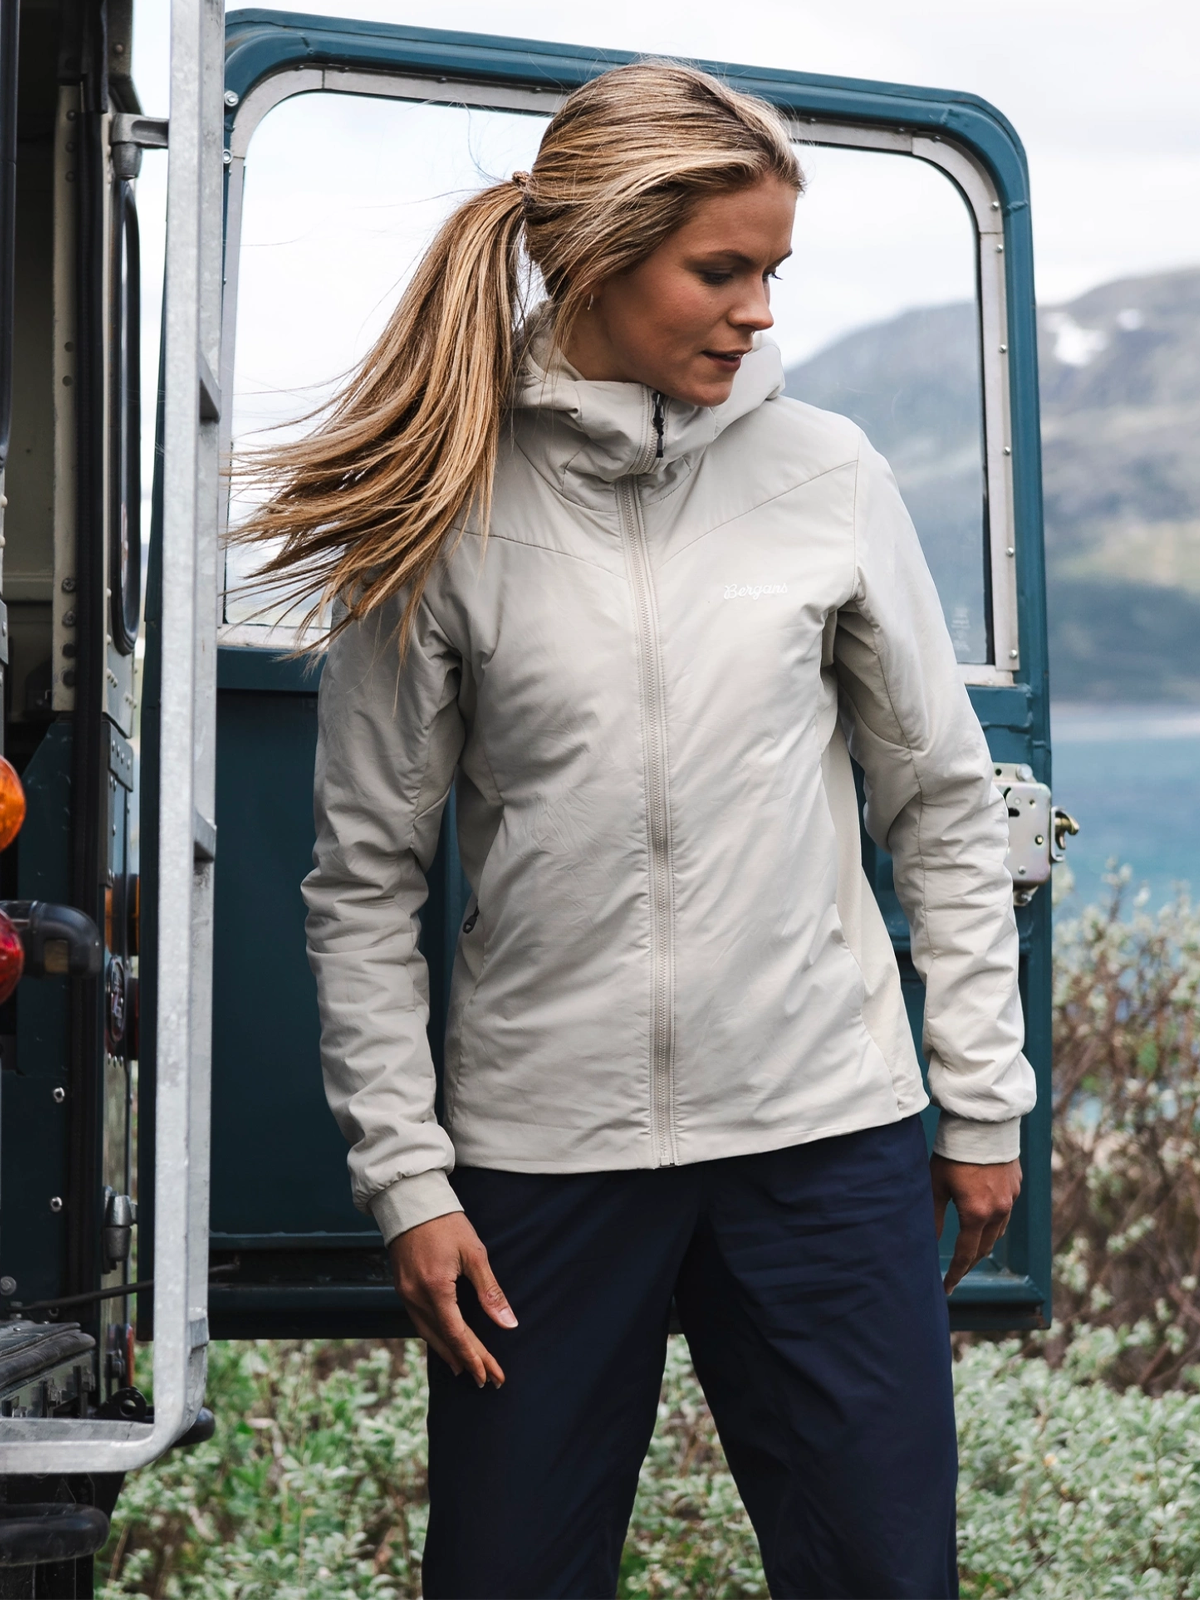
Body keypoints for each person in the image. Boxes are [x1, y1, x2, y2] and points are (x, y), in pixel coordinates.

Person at [235, 60, 1035, 1600]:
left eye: (774, 273)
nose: (758, 314)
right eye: (720, 271)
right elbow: (365, 882)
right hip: (543, 1162)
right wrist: (409, 1178)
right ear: (600, 256)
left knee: (884, 1576)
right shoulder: (446, 497)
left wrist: (983, 1098)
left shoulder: (829, 476)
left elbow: (939, 801)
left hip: (823, 1140)